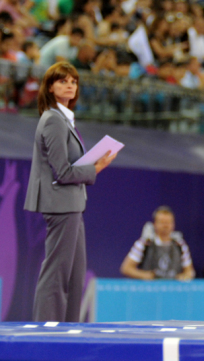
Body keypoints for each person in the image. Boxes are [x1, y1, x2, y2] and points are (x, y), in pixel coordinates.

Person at [24, 62, 115, 321]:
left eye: (73, 82)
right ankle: (48, 330)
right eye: (63, 81)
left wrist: (94, 164)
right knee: (56, 272)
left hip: (72, 204)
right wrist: (96, 168)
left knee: (75, 275)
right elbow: (62, 172)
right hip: (60, 204)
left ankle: (70, 330)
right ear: (50, 87)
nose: (70, 85)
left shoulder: (64, 119)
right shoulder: (53, 120)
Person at [120, 206, 195, 280]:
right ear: (155, 224)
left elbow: (190, 272)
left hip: (173, 289)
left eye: (168, 222)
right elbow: (126, 268)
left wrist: (183, 277)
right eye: (162, 222)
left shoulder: (180, 245)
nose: (165, 226)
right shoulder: (145, 244)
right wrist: (144, 275)